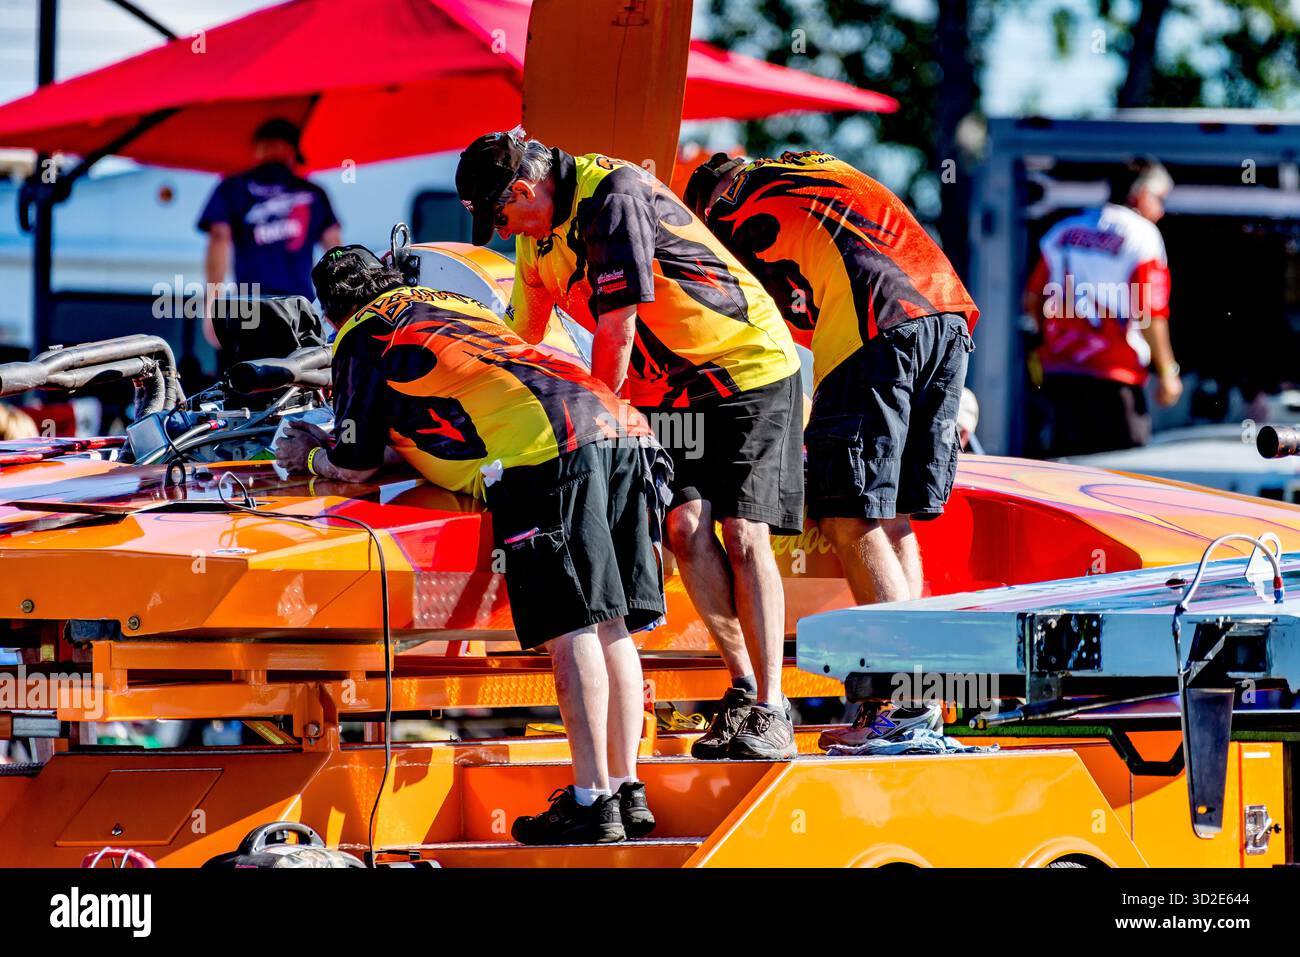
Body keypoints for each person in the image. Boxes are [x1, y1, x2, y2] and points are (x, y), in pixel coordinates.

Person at [276, 245, 665, 845]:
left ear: (332, 314)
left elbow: (352, 464)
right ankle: (624, 789)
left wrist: (309, 451)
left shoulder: (361, 330)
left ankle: (591, 802)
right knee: (613, 623)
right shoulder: (449, 303)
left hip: (544, 451)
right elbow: (443, 408)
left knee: (573, 627)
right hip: (618, 430)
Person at [456, 129, 804, 760]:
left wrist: (598, 424)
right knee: (684, 526)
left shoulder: (610, 193)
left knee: (744, 533)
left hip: (747, 368)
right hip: (671, 388)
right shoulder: (537, 245)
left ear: (525, 189)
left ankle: (773, 707)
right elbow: (522, 345)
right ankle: (743, 688)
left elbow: (618, 329)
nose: (504, 233)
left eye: (501, 216)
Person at [684, 150, 978, 607]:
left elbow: (738, 322)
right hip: (949, 314)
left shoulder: (725, 214)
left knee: (847, 514)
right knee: (894, 513)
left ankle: (890, 665)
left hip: (875, 320)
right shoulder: (815, 165)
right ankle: (916, 663)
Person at [1023, 157, 1183, 457]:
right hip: (1115, 378)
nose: (1161, 211)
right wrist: (1167, 372)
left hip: (1062, 375)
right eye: (1159, 199)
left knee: (1063, 473)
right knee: (1122, 479)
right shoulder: (1143, 236)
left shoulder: (1062, 231)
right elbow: (1150, 312)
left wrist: (1049, 340)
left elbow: (1032, 299)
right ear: (1140, 196)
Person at [197, 118, 342, 351]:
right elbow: (335, 251)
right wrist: (338, 307)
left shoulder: (232, 187)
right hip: (299, 307)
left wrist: (212, 304)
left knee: (248, 379)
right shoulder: (312, 192)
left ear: (260, 147)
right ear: (290, 150)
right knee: (300, 380)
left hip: (249, 306)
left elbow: (219, 238)